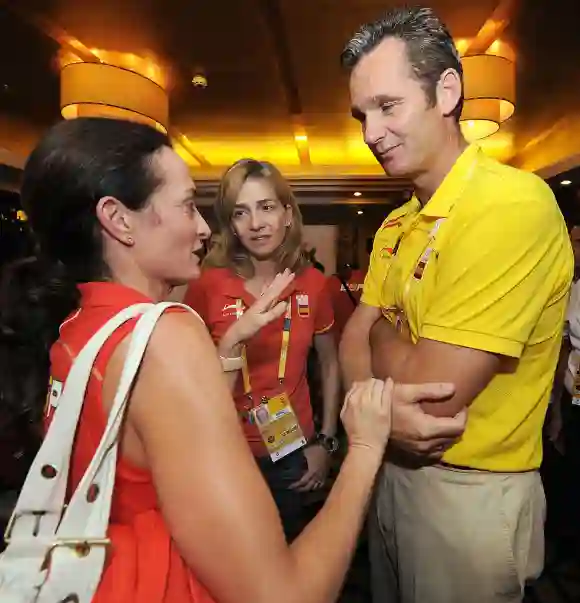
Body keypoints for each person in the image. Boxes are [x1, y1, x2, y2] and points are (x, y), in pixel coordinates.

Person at [0, 117, 464, 603]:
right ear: (118, 219)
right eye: (186, 206)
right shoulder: (164, 333)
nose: (205, 228)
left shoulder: (77, 325)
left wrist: (228, 349)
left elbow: (155, 436)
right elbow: (285, 595)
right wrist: (367, 444)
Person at [339, 6, 573, 603]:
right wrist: (385, 372)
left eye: (388, 107)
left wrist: (380, 337)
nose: (370, 133)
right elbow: (349, 337)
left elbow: (435, 388)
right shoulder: (395, 222)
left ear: (447, 91)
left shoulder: (511, 204)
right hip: (389, 471)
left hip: (469, 494)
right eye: (362, 114)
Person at [183, 159, 341, 540]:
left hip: (291, 448)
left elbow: (330, 365)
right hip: (223, 447)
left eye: (267, 207)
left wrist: (327, 440)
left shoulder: (315, 285)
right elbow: (188, 372)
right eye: (241, 212)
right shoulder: (207, 285)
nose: (256, 223)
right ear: (231, 226)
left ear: (288, 214)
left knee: (288, 554)